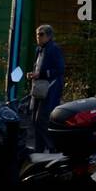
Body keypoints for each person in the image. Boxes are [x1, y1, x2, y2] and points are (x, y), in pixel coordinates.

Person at [27, 23, 65, 153]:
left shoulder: (54, 48)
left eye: (41, 34)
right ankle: (39, 149)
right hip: (39, 89)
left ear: (49, 36)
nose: (38, 37)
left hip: (50, 89)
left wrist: (41, 74)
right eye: (37, 34)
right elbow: (38, 67)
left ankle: (53, 147)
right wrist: (33, 75)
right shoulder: (39, 49)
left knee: (42, 119)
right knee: (34, 120)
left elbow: (60, 69)